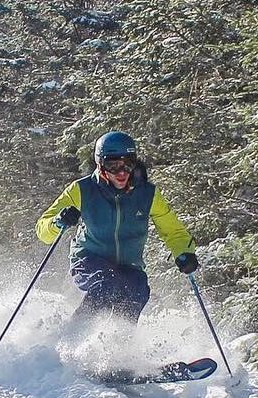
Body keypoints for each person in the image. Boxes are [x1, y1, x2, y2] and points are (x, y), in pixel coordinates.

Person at [36, 131, 198, 325]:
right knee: (106, 285)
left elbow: (173, 231)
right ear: (100, 164)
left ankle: (119, 348)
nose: (122, 172)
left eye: (128, 164)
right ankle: (72, 335)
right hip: (88, 258)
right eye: (113, 165)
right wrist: (58, 221)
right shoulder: (82, 189)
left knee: (137, 292)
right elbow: (43, 230)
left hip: (129, 265)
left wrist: (184, 253)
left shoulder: (147, 194)